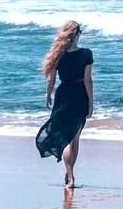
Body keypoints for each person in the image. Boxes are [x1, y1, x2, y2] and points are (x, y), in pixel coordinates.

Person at [35, 21, 94, 189]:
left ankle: (70, 174)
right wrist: (91, 103)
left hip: (63, 95)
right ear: (77, 34)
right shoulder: (86, 54)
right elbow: (88, 81)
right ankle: (70, 176)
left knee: (67, 137)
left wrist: (48, 95)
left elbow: (51, 80)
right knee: (74, 138)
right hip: (79, 95)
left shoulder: (58, 55)